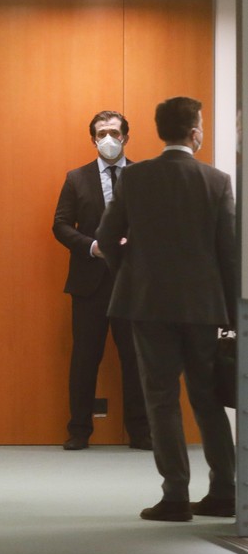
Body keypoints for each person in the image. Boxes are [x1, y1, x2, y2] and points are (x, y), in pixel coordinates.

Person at [96, 96, 236, 521]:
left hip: (147, 303)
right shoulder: (216, 181)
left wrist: (131, 271)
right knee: (208, 399)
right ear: (195, 131)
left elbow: (105, 237)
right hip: (202, 307)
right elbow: (228, 253)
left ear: (159, 132)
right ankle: (224, 491)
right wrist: (231, 314)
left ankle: (175, 495)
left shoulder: (135, 178)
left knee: (161, 400)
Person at [53, 111, 151, 451]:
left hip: (133, 282)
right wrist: (91, 246)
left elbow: (157, 223)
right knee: (84, 358)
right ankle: (79, 430)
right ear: (93, 139)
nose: (107, 138)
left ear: (125, 136)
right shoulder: (76, 178)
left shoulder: (143, 176)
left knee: (136, 359)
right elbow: (61, 225)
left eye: (113, 132)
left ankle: (140, 432)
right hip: (89, 282)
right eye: (100, 133)